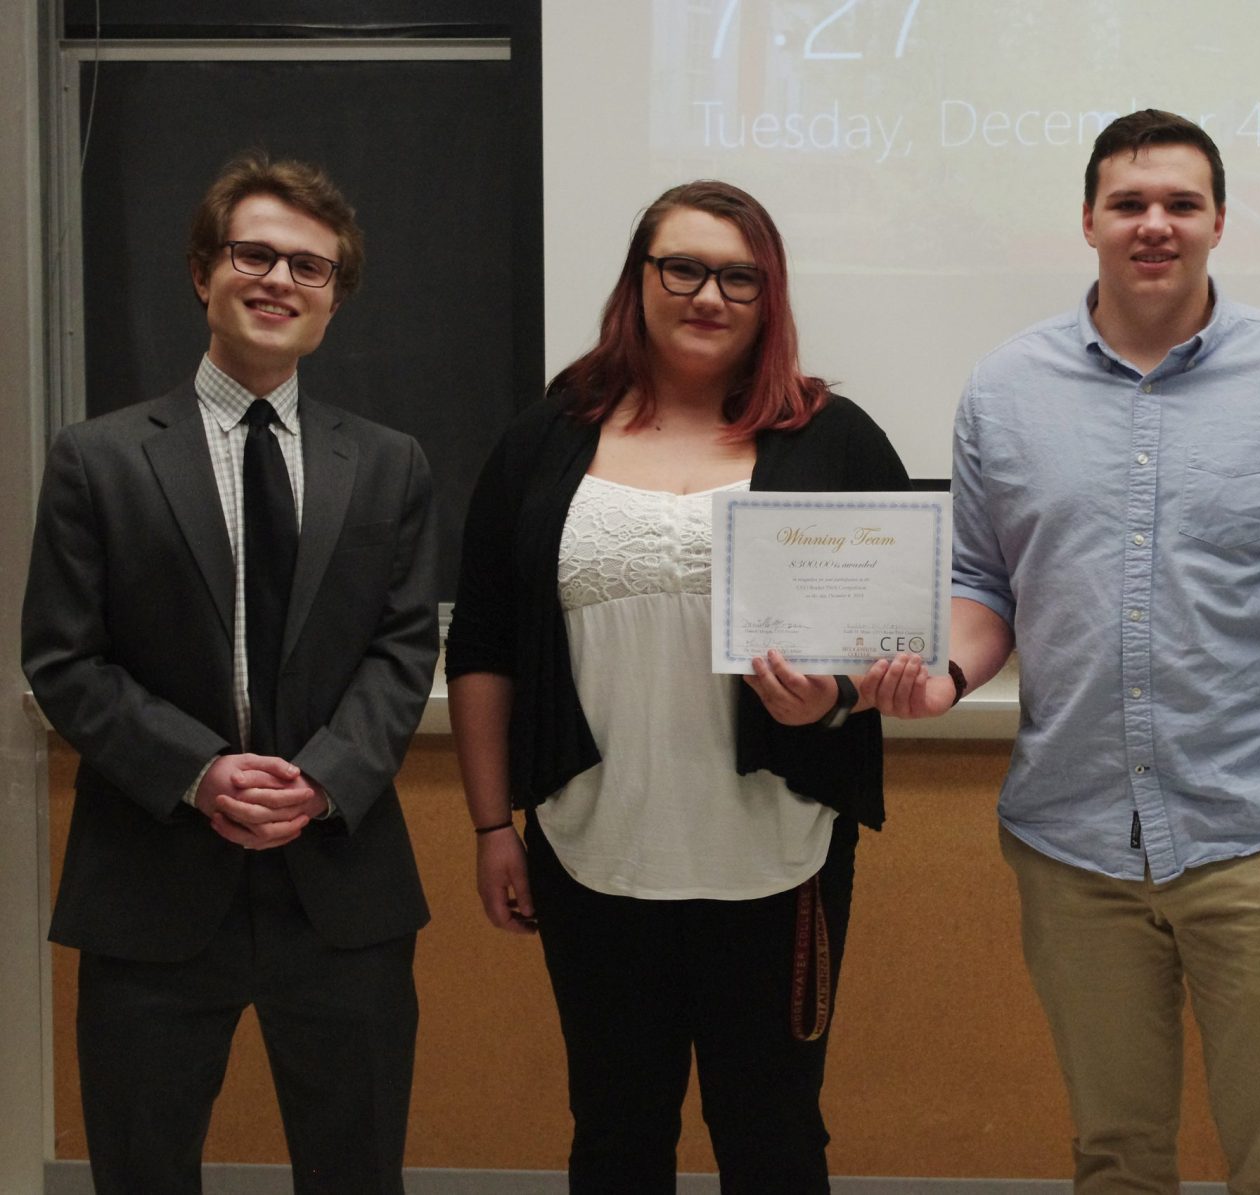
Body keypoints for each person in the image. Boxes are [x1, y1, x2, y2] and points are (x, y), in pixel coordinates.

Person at [869, 109, 1260, 1194]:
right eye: (1129, 203)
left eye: (1180, 203)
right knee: (1115, 1158)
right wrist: (947, 674)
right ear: (1088, 220)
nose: (1153, 225)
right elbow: (983, 582)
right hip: (1073, 843)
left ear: (1218, 221)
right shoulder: (1003, 389)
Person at [445, 179, 908, 1194]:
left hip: (775, 858)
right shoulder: (545, 437)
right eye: (684, 267)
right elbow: (482, 646)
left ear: (769, 294)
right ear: (639, 280)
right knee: (614, 1135)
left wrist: (837, 696)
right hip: (592, 849)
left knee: (777, 1138)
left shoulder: (834, 438)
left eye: (739, 275)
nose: (709, 293)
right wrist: (492, 826)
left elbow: (895, 644)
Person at [21, 151, 439, 1195]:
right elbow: (65, 661)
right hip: (153, 884)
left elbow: (403, 649)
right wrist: (204, 771)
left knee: (357, 1172)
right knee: (142, 1171)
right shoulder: (99, 457)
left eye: (312, 266)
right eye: (256, 253)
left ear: (335, 300)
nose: (281, 281)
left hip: (340, 886)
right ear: (203, 272)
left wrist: (325, 777)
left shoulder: (389, 464)